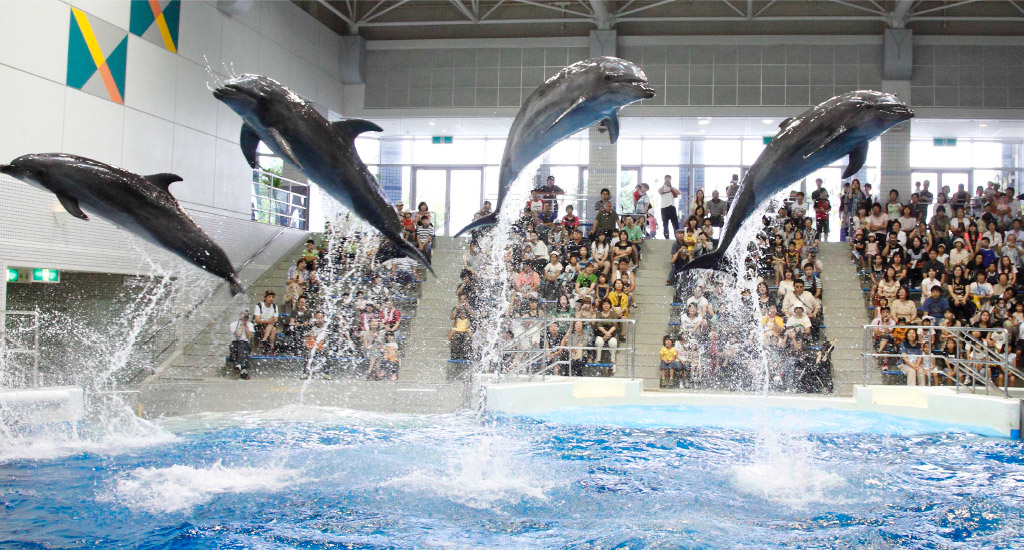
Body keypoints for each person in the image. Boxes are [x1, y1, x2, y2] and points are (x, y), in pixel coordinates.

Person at [594, 299, 619, 375]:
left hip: (611, 333)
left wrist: (608, 334)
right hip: (601, 333)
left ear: (610, 305)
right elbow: (598, 325)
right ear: (602, 305)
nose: (606, 306)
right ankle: (598, 360)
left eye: (607, 304)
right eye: (604, 304)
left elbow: (615, 325)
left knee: (613, 342)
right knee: (599, 342)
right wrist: (605, 334)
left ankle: (613, 361)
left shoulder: (613, 314)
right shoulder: (599, 314)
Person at [228, 310, 254, 380]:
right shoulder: (233, 324)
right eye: (244, 314)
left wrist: (246, 326)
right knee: (239, 348)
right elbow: (238, 335)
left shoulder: (250, 325)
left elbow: (250, 336)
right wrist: (241, 325)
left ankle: (238, 365)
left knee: (242, 346)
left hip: (246, 344)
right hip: (235, 344)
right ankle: (243, 371)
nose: (245, 316)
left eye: (246, 315)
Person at [658, 174, 681, 238]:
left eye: (669, 179)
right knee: (665, 224)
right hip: (664, 208)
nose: (667, 180)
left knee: (675, 224)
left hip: (671, 207)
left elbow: (679, 194)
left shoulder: (673, 188)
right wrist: (664, 184)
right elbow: (660, 192)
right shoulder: (662, 188)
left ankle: (677, 237)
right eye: (666, 179)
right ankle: (666, 237)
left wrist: (671, 187)